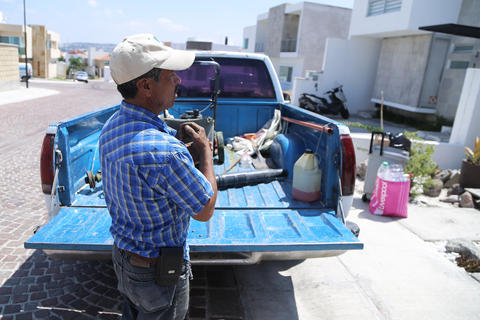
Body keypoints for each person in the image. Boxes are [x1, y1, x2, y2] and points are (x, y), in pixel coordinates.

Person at [99, 34, 218, 320]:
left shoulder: (112, 126)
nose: (178, 81)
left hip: (125, 259)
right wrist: (205, 154)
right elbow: (204, 209)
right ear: (146, 86)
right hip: (158, 272)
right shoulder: (165, 153)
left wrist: (175, 148)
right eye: (170, 76)